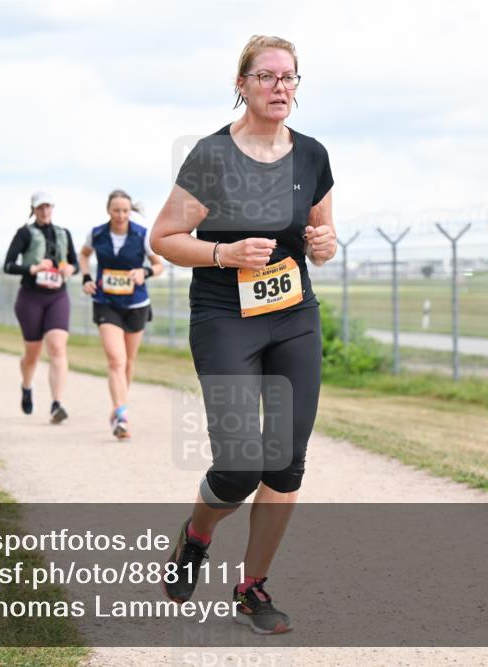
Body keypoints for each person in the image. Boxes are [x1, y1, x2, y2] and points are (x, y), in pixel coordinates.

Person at [149, 35, 336, 635]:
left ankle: (252, 587)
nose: (280, 87)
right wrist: (224, 253)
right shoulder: (212, 156)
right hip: (224, 316)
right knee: (236, 467)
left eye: (290, 77)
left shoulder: (312, 155)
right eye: (267, 76)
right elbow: (164, 238)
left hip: (293, 314)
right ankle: (196, 536)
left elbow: (322, 236)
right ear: (243, 84)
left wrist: (326, 245)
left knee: (285, 462)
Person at [79, 189, 164, 439]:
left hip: (136, 304)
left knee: (128, 361)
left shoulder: (142, 234)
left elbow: (158, 265)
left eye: (125, 210)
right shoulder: (96, 234)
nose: (121, 215)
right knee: (116, 360)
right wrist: (86, 278)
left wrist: (144, 272)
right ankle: (122, 415)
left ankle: (119, 406)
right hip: (106, 302)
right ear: (108, 210)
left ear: (130, 210)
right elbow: (83, 255)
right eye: (116, 210)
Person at [3, 192, 78, 421]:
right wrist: (32, 269)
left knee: (57, 346)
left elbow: (75, 263)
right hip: (31, 297)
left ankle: (57, 404)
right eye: (40, 208)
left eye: (48, 207)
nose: (45, 211)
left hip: (57, 296)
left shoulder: (64, 233)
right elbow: (8, 265)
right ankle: (27, 386)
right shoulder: (24, 233)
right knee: (32, 354)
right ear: (34, 210)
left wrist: (70, 269)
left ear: (53, 208)